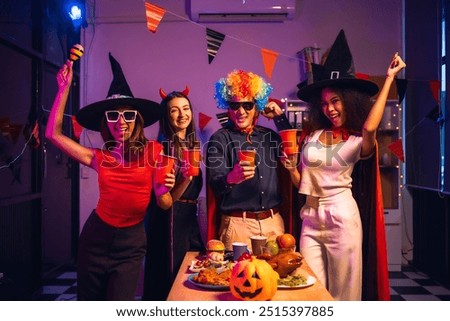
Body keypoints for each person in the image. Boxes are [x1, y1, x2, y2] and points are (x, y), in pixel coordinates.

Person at [280, 30, 406, 301]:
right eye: (324, 103)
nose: (330, 108)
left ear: (349, 100)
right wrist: (291, 168)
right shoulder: (312, 136)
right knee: (309, 290)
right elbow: (302, 181)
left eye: (336, 101)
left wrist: (389, 79)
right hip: (310, 218)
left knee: (344, 295)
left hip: (342, 218)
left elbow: (371, 125)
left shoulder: (358, 141)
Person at [45, 53, 175, 300]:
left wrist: (163, 191)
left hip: (131, 243)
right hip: (95, 239)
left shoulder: (154, 151)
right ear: (106, 121)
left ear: (137, 119)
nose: (121, 122)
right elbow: (53, 134)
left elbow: (165, 204)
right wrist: (63, 89)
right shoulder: (98, 156)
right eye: (113, 115)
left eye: (128, 115)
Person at [206, 70, 294, 252]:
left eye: (247, 105)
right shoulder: (219, 139)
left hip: (273, 224)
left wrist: (279, 118)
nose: (241, 111)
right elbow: (215, 184)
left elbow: (294, 151)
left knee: (278, 279)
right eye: (235, 105)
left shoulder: (270, 136)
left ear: (257, 107)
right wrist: (232, 178)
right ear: (227, 107)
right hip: (238, 226)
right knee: (238, 279)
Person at [143, 87, 204, 300]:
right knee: (171, 277)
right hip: (169, 219)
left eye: (186, 108)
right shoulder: (162, 149)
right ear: (166, 116)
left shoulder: (192, 145)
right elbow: (166, 201)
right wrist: (186, 177)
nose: (182, 115)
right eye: (174, 111)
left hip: (189, 218)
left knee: (192, 271)